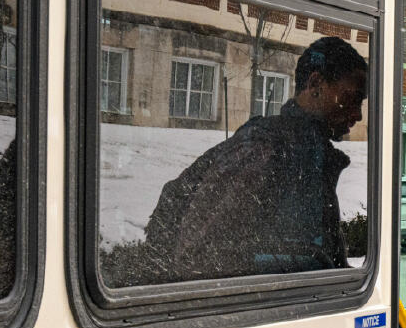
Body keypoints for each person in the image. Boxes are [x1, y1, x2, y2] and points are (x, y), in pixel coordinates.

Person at [141, 36, 368, 281]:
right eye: (351, 99)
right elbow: (197, 258)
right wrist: (304, 262)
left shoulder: (311, 156)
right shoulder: (264, 150)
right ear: (315, 84)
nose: (357, 115)